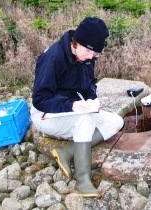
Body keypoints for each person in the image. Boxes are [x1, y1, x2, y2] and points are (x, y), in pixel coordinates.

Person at [30, 17, 124, 198]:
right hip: (45, 115)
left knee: (116, 121)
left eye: (95, 54)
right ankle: (82, 181)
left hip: (73, 109)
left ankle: (67, 151)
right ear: (76, 41)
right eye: (89, 51)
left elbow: (89, 84)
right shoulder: (53, 57)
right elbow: (39, 99)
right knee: (85, 120)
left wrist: (92, 99)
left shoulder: (86, 56)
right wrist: (72, 106)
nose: (91, 57)